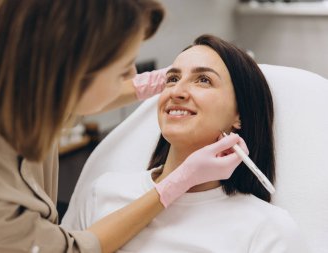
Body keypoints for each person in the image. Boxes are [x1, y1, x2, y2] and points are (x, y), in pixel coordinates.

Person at [0, 1, 248, 253]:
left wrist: (154, 83)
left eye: (203, 80)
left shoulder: (9, 71)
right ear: (68, 79)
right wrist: (175, 183)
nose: (134, 74)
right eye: (122, 69)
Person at [71, 35, 309, 252]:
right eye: (172, 79)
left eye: (203, 80)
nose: (177, 91)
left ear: (241, 115)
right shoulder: (103, 193)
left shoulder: (267, 230)